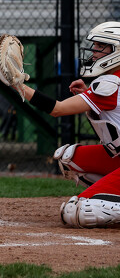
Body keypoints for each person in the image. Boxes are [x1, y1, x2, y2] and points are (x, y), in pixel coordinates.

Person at [7, 22, 120, 228]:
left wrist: (18, 85)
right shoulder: (111, 82)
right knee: (69, 158)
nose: (93, 51)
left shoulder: (109, 84)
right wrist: (88, 94)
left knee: (77, 211)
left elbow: (57, 109)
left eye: (100, 46)